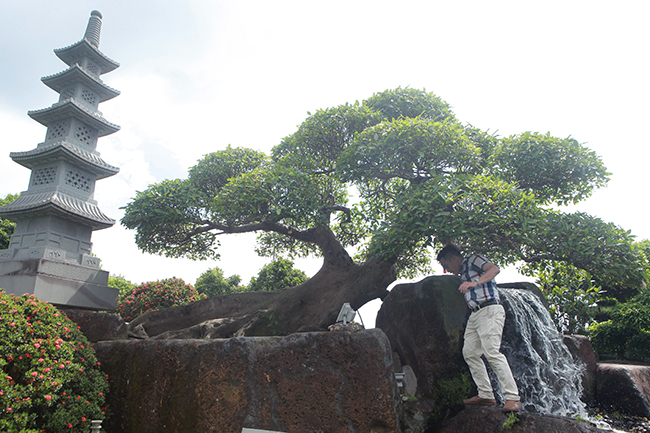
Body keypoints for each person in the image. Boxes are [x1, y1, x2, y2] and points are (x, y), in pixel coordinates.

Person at [436, 244, 522, 412]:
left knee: (491, 351)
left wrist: (475, 282)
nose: (447, 270)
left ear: (454, 258)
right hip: (475, 314)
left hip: (489, 308)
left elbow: (494, 269)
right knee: (469, 352)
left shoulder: (473, 260)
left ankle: (513, 398)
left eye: (446, 266)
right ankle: (486, 394)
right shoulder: (463, 273)